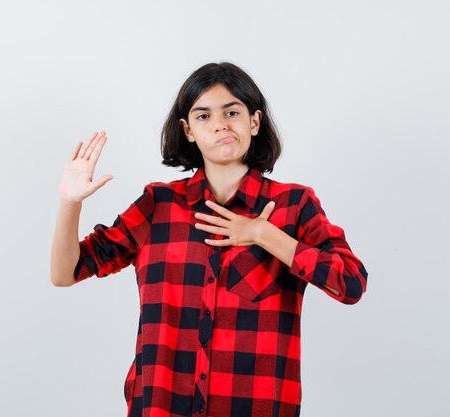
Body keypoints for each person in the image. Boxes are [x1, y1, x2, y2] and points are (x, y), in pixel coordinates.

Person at [50, 62, 368, 417]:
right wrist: (70, 202)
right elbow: (66, 272)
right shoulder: (158, 205)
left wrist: (264, 234)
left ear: (254, 121)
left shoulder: (294, 206)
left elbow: (351, 284)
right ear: (187, 130)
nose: (219, 124)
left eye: (232, 111)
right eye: (203, 116)